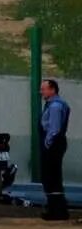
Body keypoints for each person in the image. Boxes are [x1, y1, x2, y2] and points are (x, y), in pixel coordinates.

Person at [46, 78, 71, 221]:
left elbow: (53, 129)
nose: (41, 91)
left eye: (44, 89)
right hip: (57, 143)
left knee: (53, 177)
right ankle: (56, 209)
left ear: (52, 90)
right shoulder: (56, 104)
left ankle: (57, 210)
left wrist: (48, 143)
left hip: (55, 143)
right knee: (53, 176)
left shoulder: (55, 106)